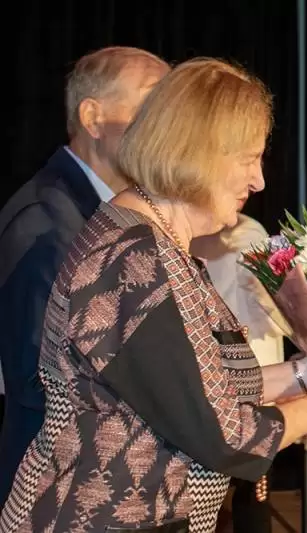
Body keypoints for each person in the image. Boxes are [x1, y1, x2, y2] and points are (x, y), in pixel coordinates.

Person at [0, 57, 307, 533]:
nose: (259, 180)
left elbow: (198, 388)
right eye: (248, 158)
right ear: (197, 152)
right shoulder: (134, 261)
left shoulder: (153, 239)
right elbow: (225, 436)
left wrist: (306, 374)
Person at [0, 45, 170, 508]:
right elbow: (39, 380)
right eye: (151, 107)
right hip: (57, 493)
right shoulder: (47, 224)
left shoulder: (106, 213)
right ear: (93, 118)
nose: (167, 128)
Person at [191, 213, 286, 533]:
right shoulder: (190, 230)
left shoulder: (251, 231)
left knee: (255, 479)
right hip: (213, 365)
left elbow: (274, 309)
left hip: (257, 359)